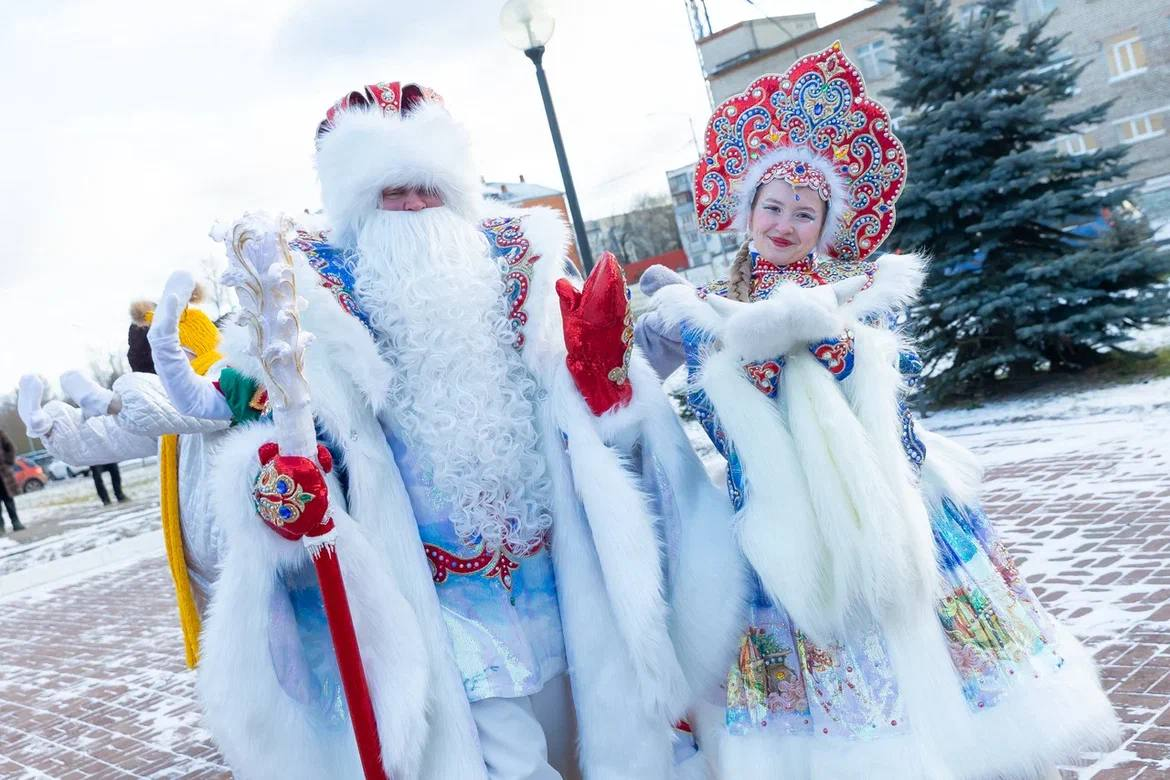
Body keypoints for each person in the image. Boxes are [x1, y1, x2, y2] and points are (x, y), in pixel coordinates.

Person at [193, 81, 743, 780]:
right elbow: (288, 443)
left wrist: (614, 377)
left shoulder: (522, 275)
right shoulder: (312, 313)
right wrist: (278, 489)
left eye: (428, 190)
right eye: (393, 194)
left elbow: (592, 398)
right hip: (443, 608)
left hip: (558, 581)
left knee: (593, 739)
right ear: (356, 205)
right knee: (510, 763)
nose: (414, 208)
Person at [640, 41, 1119, 779]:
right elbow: (658, 385)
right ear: (747, 212)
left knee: (923, 646)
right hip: (776, 522)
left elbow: (898, 381)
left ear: (825, 224)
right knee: (826, 678)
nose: (785, 223)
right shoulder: (703, 311)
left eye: (804, 212)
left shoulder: (857, 296)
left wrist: (835, 349)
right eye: (773, 206)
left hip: (883, 503)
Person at [17, 290, 231, 669]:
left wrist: (117, 402)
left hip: (247, 565)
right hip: (210, 576)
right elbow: (112, 434)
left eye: (167, 365)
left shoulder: (225, 382)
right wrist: (53, 428)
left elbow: (184, 405)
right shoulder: (169, 421)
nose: (161, 380)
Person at [0, 430, 25, 533]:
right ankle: (0, 527)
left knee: (8, 499)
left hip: (3, 472)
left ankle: (16, 522)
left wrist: (7, 460)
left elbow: (10, 447)